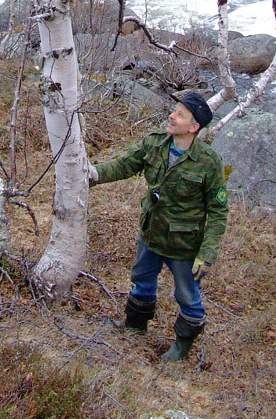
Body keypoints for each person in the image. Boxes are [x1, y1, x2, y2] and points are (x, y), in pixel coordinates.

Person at [88, 91, 228, 362]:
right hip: (151, 234)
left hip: (184, 247)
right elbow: (126, 165)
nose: (171, 116)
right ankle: (135, 328)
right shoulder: (154, 143)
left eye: (179, 115)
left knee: (188, 297)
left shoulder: (209, 162)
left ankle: (182, 344)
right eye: (173, 111)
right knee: (142, 281)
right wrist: (94, 174)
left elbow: (218, 212)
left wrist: (206, 255)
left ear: (194, 126)